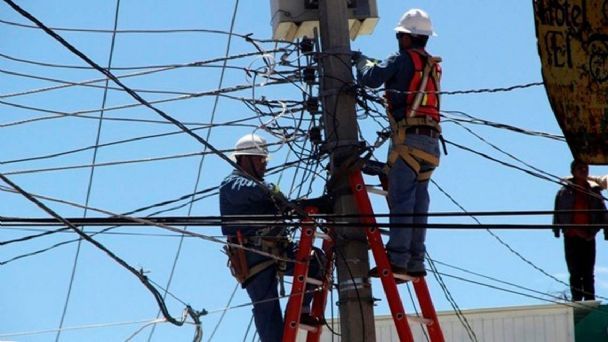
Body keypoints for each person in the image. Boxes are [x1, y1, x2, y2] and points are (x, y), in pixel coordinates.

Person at [355, 8, 442, 278]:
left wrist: (359, 61)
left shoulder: (402, 59)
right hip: (432, 145)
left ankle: (397, 260)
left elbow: (371, 78)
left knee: (402, 201)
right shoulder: (431, 64)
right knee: (419, 205)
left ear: (406, 37)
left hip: (408, 141)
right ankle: (415, 262)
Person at [219, 133, 325, 342]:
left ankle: (301, 311)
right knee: (267, 306)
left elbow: (268, 195)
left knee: (317, 261)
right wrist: (275, 194)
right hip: (252, 256)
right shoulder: (232, 183)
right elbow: (254, 190)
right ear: (244, 159)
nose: (264, 164)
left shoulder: (260, 187)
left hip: (279, 250)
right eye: (260, 159)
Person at [553, 160, 608, 301]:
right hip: (571, 236)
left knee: (588, 272)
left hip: (589, 237)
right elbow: (560, 213)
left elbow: (602, 214)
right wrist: (563, 229)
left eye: (585, 168)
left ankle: (590, 300)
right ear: (573, 172)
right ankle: (577, 300)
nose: (583, 170)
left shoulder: (594, 191)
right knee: (575, 272)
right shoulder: (565, 192)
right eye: (580, 168)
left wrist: (594, 232)